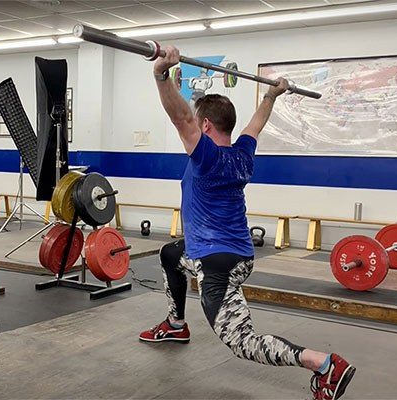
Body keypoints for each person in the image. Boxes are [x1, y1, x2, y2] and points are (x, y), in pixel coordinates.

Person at [139, 46, 356, 400]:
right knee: (169, 254)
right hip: (241, 255)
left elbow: (181, 119)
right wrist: (271, 95)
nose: (192, 126)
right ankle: (176, 324)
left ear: (205, 125)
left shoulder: (206, 156)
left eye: (198, 122)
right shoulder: (243, 153)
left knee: (242, 342)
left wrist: (161, 75)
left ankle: (323, 364)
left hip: (216, 263)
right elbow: (258, 123)